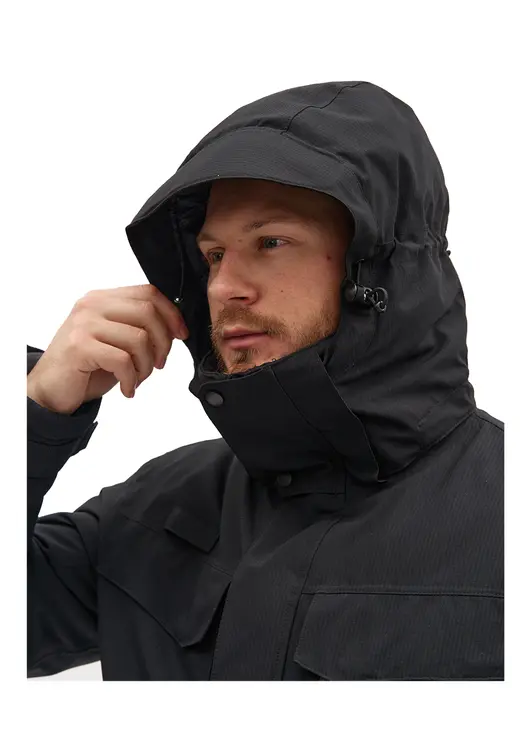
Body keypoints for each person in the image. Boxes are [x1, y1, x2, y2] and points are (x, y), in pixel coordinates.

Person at [27, 80, 504, 680]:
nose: (225, 288)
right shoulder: (162, 504)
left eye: (271, 242)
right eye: (214, 256)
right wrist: (36, 411)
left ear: (379, 265)